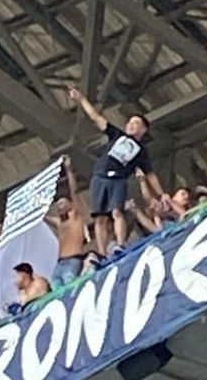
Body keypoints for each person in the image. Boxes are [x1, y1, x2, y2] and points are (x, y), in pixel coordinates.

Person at [68, 86, 167, 256]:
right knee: (100, 217)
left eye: (136, 123)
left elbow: (150, 174)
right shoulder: (117, 135)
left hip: (118, 180)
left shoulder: (141, 151)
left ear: (143, 130)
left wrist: (161, 193)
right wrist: (81, 99)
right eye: (130, 122)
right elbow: (96, 118)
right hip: (100, 176)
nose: (131, 125)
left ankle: (120, 244)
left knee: (117, 212)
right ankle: (102, 253)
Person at [45, 156, 87, 287]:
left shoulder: (75, 215)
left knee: (70, 288)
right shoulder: (59, 222)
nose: (59, 206)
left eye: (62, 203)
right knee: (57, 292)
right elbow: (42, 217)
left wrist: (69, 170)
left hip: (73, 259)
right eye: (58, 204)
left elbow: (74, 192)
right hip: (60, 262)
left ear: (70, 204)